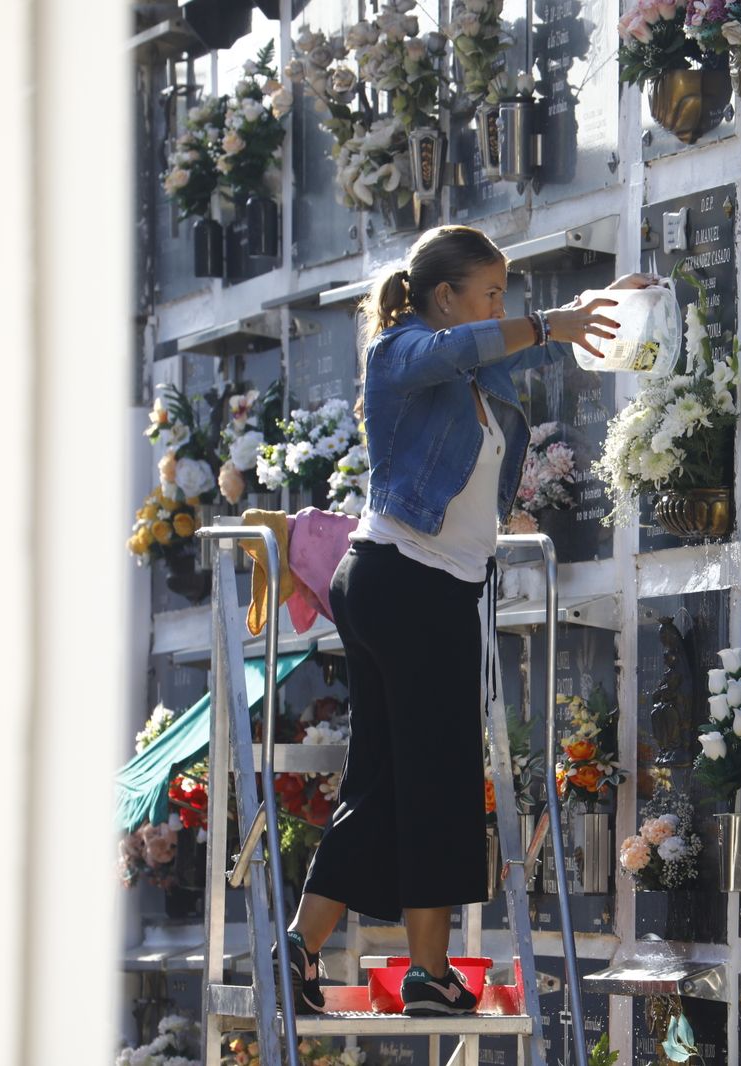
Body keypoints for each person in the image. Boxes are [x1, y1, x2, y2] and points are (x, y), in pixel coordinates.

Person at [278, 224, 651, 1017]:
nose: (499, 310)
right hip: (404, 584)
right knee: (439, 780)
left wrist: (595, 311)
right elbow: (466, 349)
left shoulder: (471, 370)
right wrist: (549, 322)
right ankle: (428, 974)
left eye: (503, 297)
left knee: (379, 779)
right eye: (486, 295)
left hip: (419, 587)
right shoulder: (400, 353)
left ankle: (297, 950)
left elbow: (531, 349)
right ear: (444, 297)